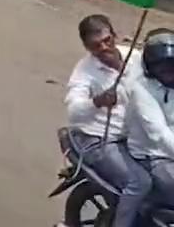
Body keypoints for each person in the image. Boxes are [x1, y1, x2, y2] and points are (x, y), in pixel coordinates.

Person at [64, 14, 149, 227]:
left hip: (136, 135)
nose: (103, 48)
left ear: (114, 35)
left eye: (107, 40)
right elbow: (74, 111)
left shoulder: (136, 59)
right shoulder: (84, 71)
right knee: (139, 182)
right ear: (87, 47)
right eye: (96, 45)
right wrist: (97, 102)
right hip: (99, 139)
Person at [125, 29, 174, 209]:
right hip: (151, 156)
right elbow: (159, 134)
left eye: (172, 65)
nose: (168, 71)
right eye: (161, 66)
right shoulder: (141, 90)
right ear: (150, 67)